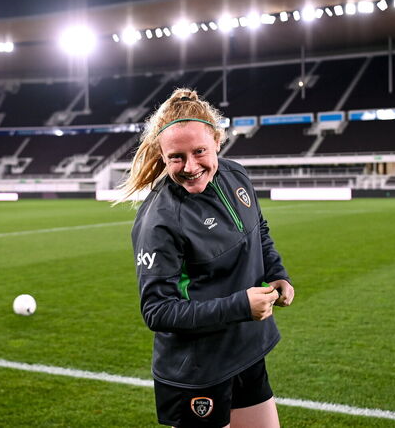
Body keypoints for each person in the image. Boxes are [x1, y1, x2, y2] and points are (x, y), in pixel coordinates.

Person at [115, 88, 295, 427]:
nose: (190, 166)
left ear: (217, 140)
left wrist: (277, 273)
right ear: (162, 155)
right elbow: (157, 311)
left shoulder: (236, 175)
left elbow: (258, 229)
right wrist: (241, 306)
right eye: (176, 157)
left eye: (199, 151)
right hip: (197, 371)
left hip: (246, 350)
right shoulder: (159, 220)